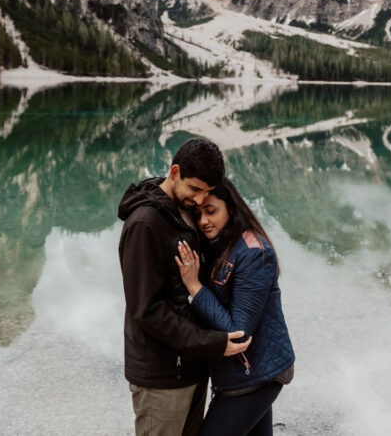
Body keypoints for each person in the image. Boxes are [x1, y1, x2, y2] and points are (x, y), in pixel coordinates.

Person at [118, 138, 253, 436]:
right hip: (162, 375)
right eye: (194, 189)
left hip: (192, 367)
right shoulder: (145, 224)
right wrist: (213, 343)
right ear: (175, 171)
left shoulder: (183, 211)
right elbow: (147, 310)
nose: (199, 199)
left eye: (206, 193)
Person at [174, 178, 294, 436]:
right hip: (242, 373)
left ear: (231, 207)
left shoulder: (254, 253)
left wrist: (195, 287)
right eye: (198, 214)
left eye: (211, 210)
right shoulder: (219, 246)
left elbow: (239, 332)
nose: (204, 220)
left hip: (255, 375)